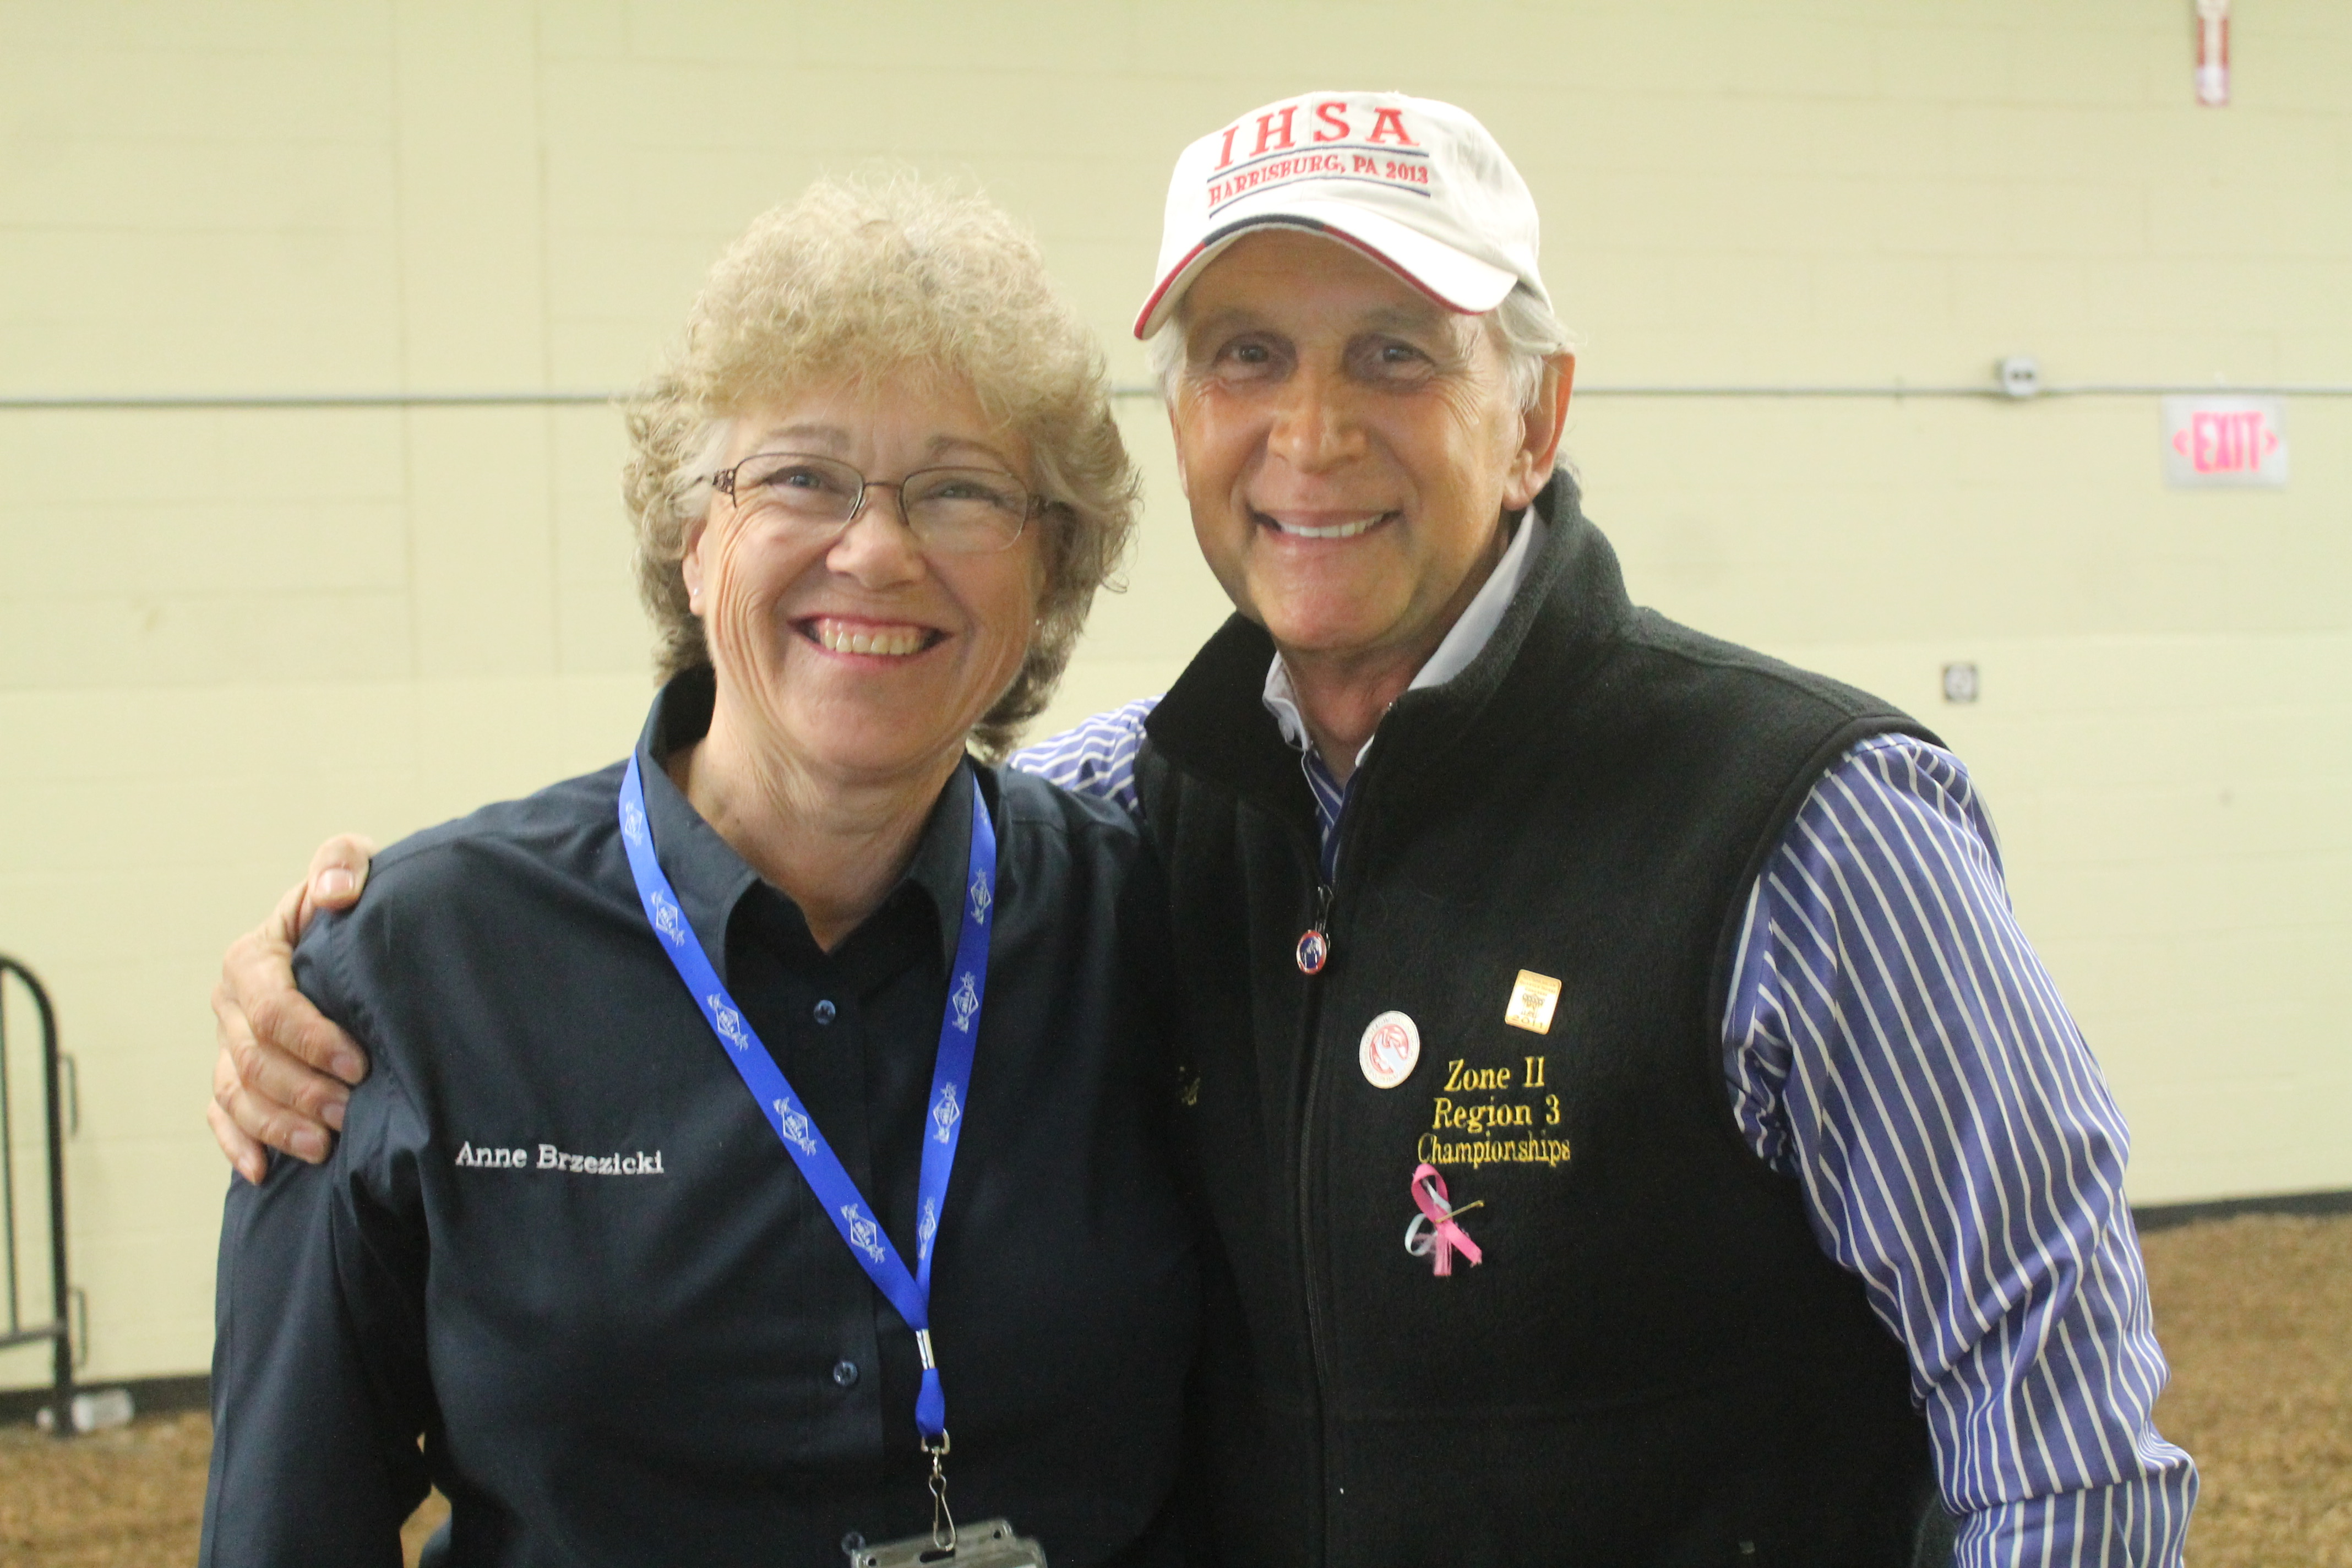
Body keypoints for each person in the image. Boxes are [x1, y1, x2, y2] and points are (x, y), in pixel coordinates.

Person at [213, 94, 2197, 1566]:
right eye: (1248, 352)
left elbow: (2068, 1441)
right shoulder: (1126, 825)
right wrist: (325, 968)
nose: (1309, 430)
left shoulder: (1805, 826)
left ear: (1536, 410)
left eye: (1395, 354)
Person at [199, 177, 1199, 1567]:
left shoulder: (1161, 935)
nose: (878, 548)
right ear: (692, 536)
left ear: (1054, 567)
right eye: (800, 476)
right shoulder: (412, 976)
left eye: (962, 488)